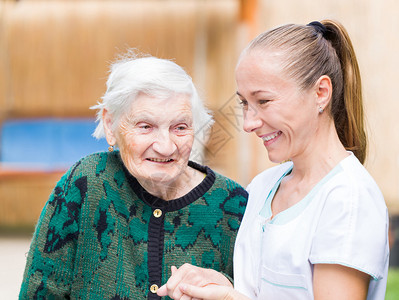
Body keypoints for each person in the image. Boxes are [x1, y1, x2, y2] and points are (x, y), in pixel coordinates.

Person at [157, 20, 389, 300]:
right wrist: (220, 286)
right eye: (244, 103)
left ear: (321, 93)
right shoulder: (262, 186)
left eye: (263, 101)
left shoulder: (348, 199)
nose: (248, 123)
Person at [19, 53, 248, 299]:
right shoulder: (86, 184)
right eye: (146, 126)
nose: (165, 146)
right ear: (110, 125)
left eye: (180, 127)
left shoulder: (234, 204)